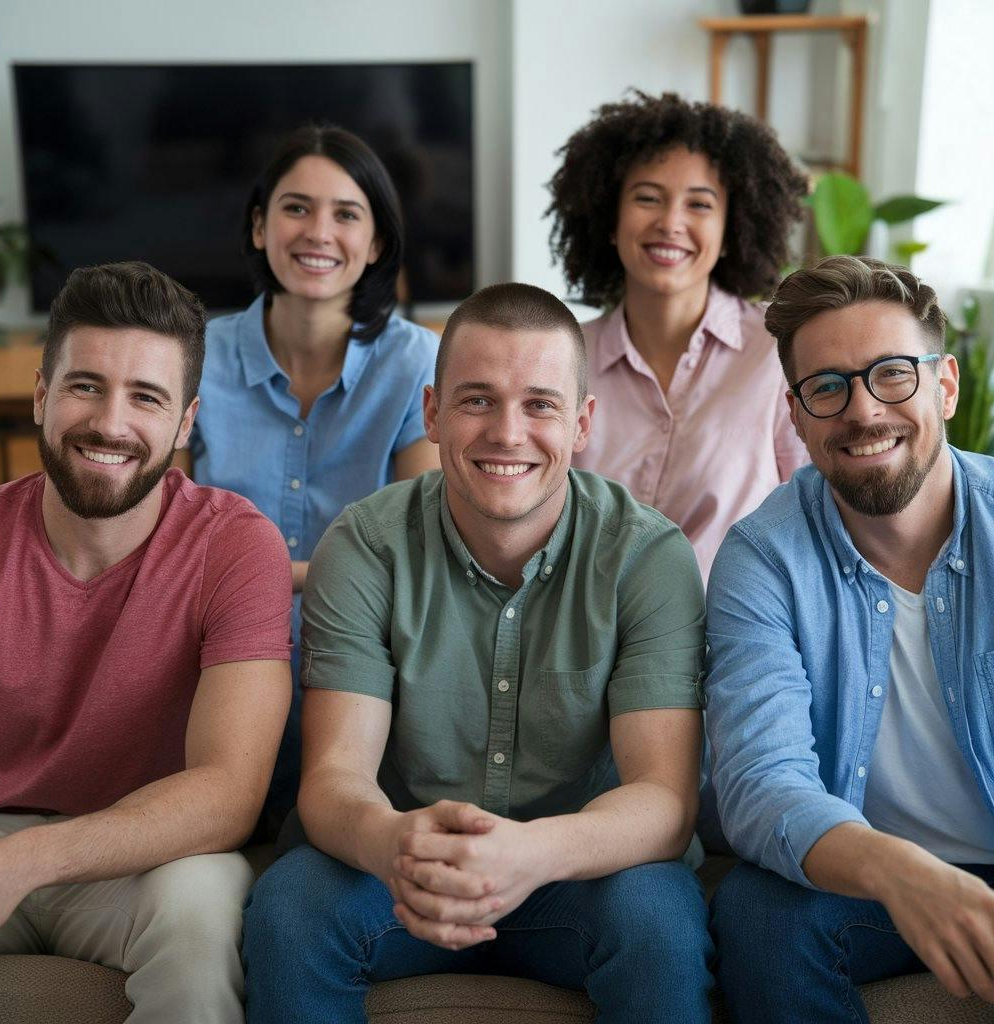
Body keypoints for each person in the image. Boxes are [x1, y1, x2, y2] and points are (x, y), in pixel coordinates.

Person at [242, 283, 714, 1023]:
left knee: (657, 924)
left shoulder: (646, 555)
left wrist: (530, 855)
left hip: (580, 872)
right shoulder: (365, 545)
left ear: (583, 422)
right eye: (477, 401)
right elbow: (335, 777)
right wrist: (393, 838)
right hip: (400, 864)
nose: (508, 432)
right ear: (431, 412)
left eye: (540, 404)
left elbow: (663, 801)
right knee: (290, 908)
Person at [0, 262, 292, 1024]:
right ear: (43, 396)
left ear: (185, 423)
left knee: (201, 916)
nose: (111, 423)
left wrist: (16, 866)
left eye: (146, 397)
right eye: (85, 386)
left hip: (149, 852)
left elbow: (228, 795)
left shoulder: (238, 547)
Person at [706, 255, 994, 1022]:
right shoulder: (763, 557)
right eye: (827, 387)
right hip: (864, 874)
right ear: (796, 416)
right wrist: (899, 870)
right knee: (760, 912)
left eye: (893, 374)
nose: (863, 412)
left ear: (947, 384)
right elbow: (762, 784)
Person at [189, 124, 440, 829]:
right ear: (260, 223)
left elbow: (411, 552)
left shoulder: (420, 365)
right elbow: (158, 534)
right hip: (209, 662)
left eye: (346, 214)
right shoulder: (193, 354)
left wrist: (253, 572)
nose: (318, 232)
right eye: (296, 208)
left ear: (378, 243)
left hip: (364, 668)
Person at [548, 90, 809, 581]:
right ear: (609, 219)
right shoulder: (561, 356)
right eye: (647, 198)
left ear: (733, 228)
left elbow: (814, 517)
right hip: (589, 638)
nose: (670, 223)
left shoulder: (781, 349)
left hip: (732, 642)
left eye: (699, 204)